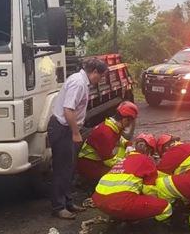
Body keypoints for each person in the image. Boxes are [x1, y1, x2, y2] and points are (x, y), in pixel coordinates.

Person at [48, 57, 108, 220]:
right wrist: (75, 132)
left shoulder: (82, 81)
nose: (100, 79)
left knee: (70, 167)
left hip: (66, 128)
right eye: (100, 76)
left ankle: (68, 202)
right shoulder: (78, 83)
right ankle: (58, 207)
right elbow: (68, 110)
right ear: (94, 71)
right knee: (61, 169)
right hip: (62, 128)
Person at [92, 133, 172, 222]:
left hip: (99, 200)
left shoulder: (124, 159)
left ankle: (118, 216)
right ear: (147, 149)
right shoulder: (146, 160)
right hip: (121, 204)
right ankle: (151, 225)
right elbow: (149, 192)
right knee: (165, 207)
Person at [77, 101, 139, 181]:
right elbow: (109, 161)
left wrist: (128, 145)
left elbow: (119, 138)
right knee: (121, 175)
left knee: (123, 151)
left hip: (97, 160)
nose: (129, 125)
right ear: (125, 119)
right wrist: (127, 163)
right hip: (89, 165)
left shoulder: (113, 126)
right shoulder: (105, 133)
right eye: (130, 121)